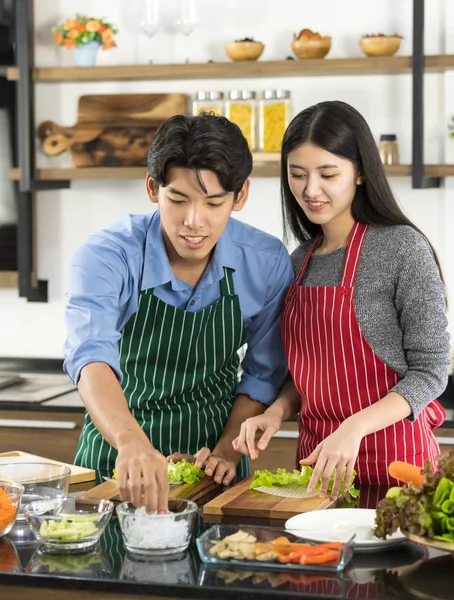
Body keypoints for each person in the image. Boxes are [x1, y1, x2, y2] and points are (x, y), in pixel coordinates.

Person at [63, 113, 294, 512]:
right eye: (178, 199)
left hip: (215, 468)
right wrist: (132, 442)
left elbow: (262, 374)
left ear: (240, 197)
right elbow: (91, 356)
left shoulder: (266, 261)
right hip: (114, 462)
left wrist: (224, 454)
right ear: (153, 188)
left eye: (214, 202)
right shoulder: (107, 255)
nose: (193, 222)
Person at [233, 100, 451, 498]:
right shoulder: (298, 262)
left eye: (327, 174)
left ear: (361, 172)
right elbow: (309, 377)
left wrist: (353, 427)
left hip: (399, 472)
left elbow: (431, 373)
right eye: (297, 174)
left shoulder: (403, 249)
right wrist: (276, 412)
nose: (310, 190)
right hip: (319, 473)